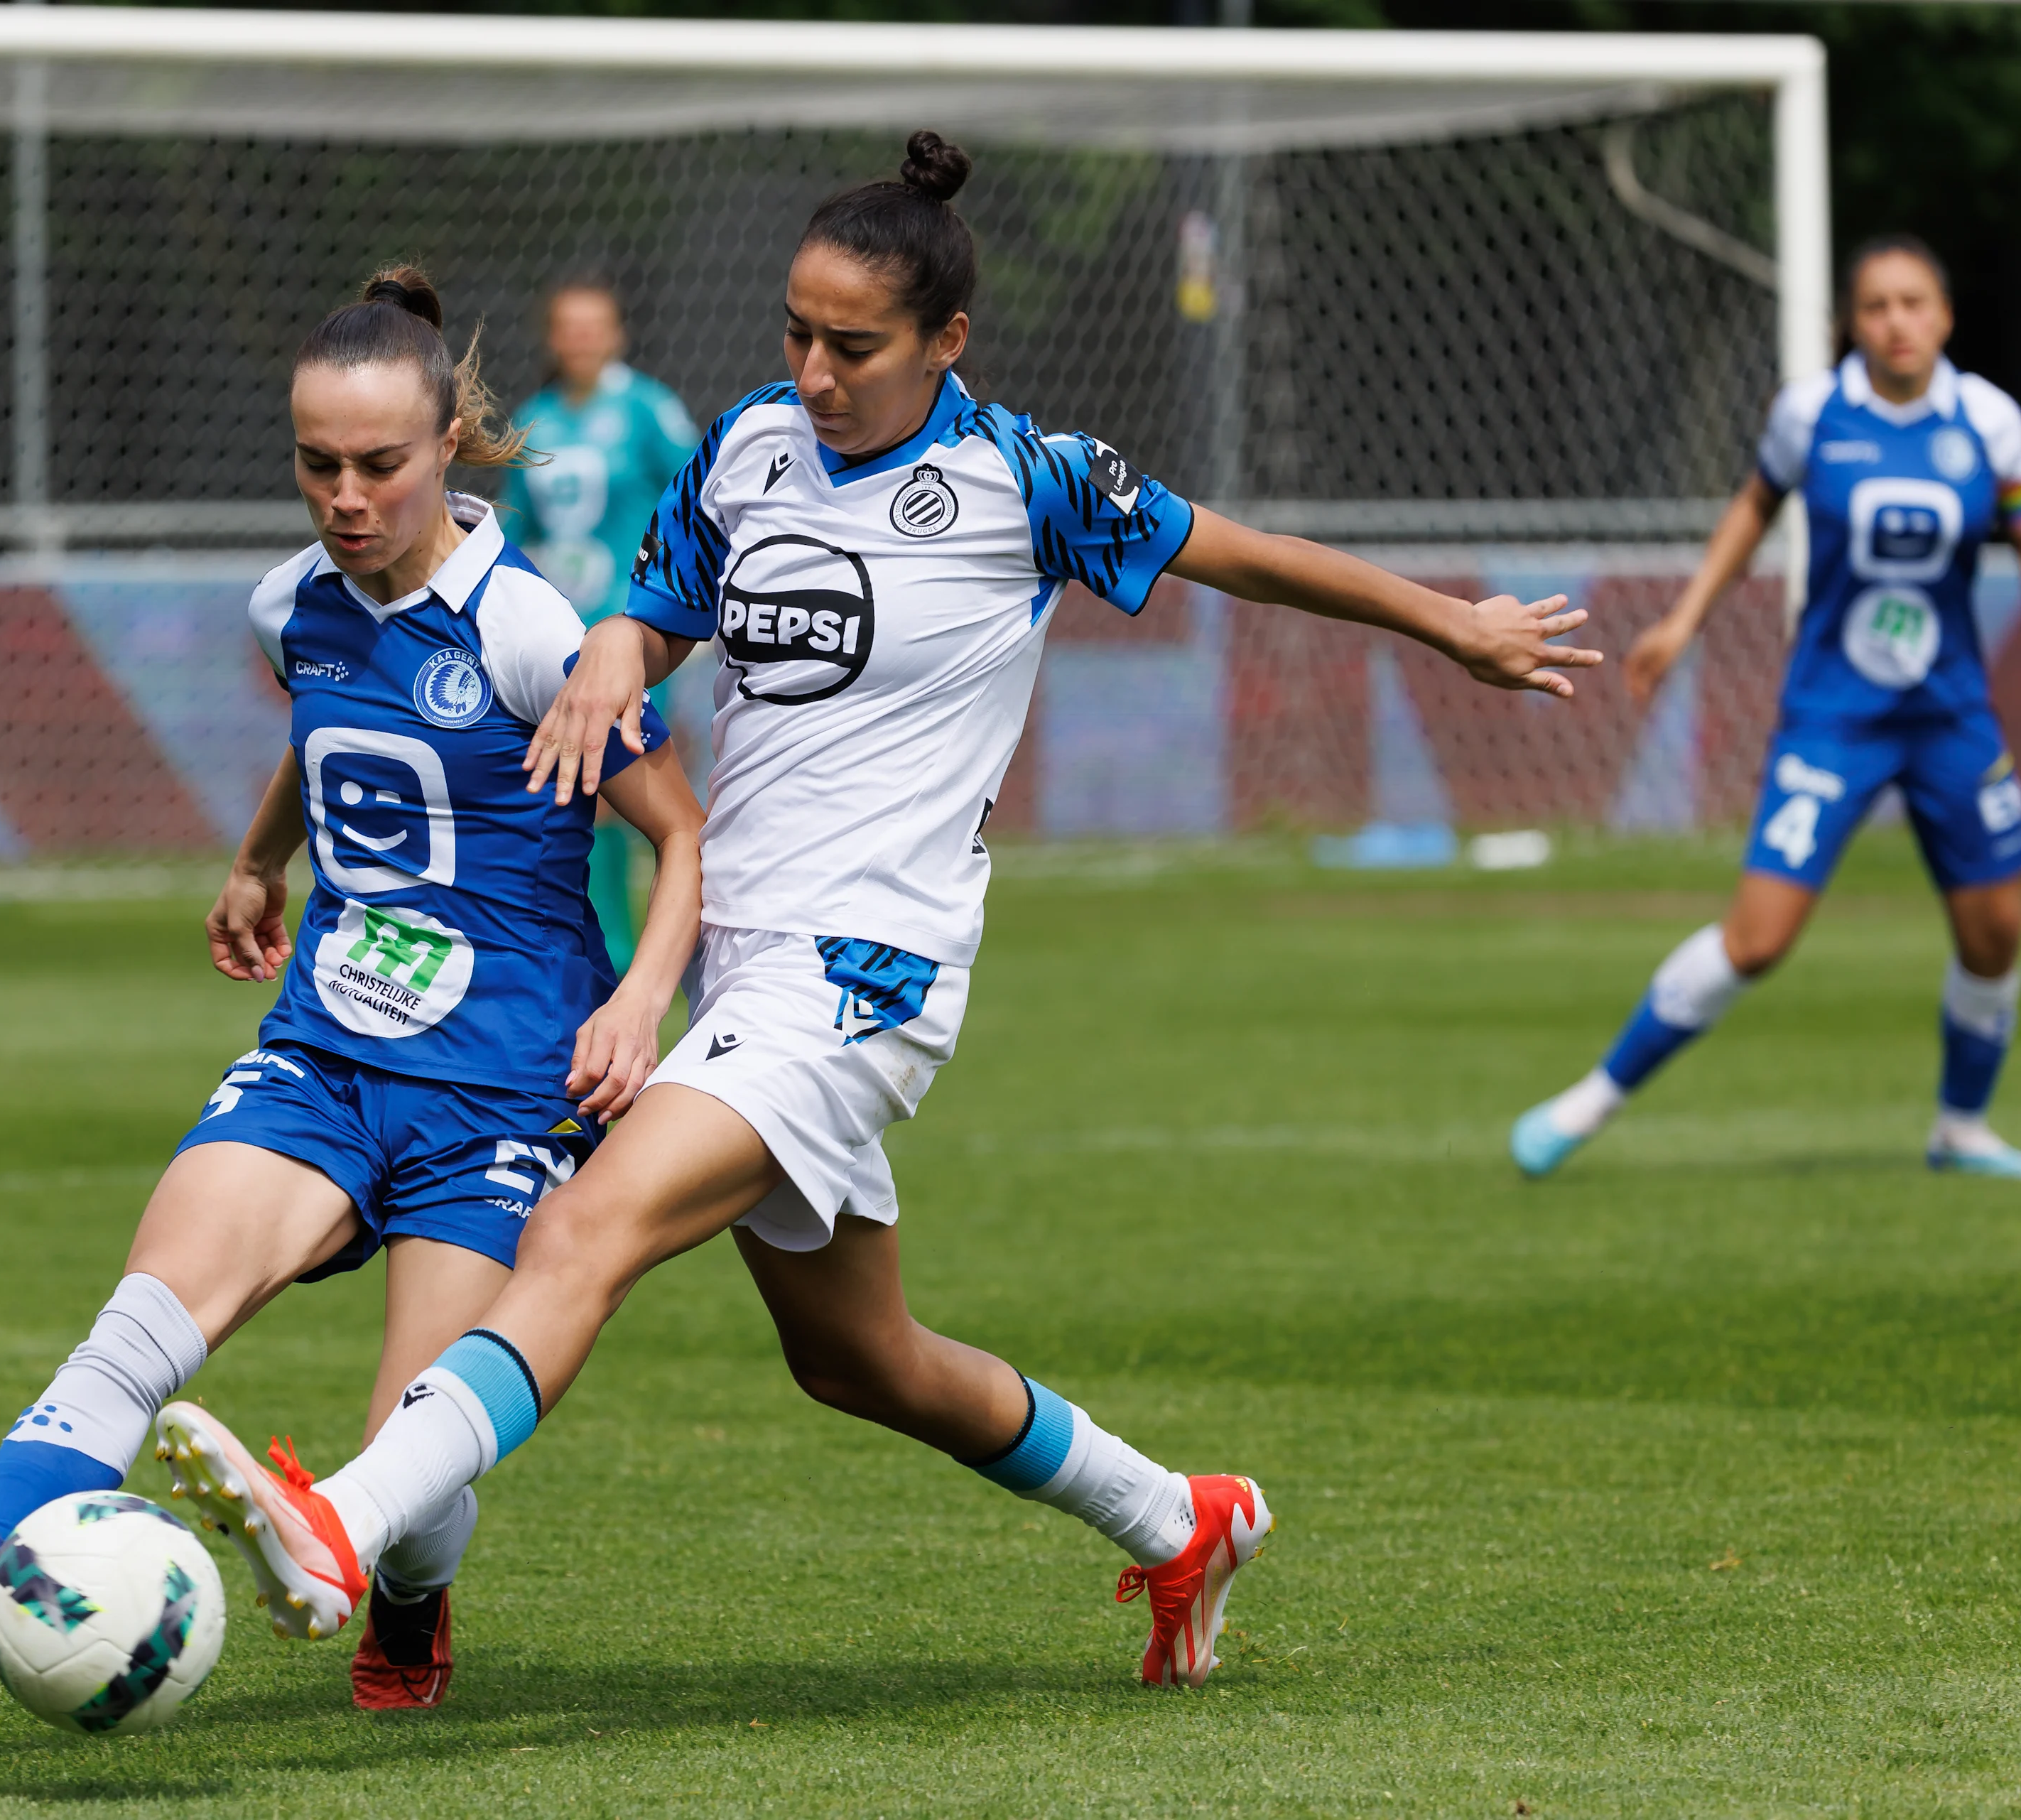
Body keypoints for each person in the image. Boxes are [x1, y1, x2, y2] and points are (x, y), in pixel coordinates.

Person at [156, 133, 1598, 1689]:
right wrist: (611, 659)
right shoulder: (745, 451)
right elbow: (655, 613)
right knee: (860, 1360)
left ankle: (344, 1527)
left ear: (947, 342)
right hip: (746, 964)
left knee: (585, 1226)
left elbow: (1238, 556)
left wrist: (1456, 626)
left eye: (855, 345)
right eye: (797, 332)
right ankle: (1185, 1518)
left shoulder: (1025, 482)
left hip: (867, 972)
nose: (816, 369)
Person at [0, 266, 705, 1714]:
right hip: (327, 1053)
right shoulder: (291, 604)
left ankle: (410, 1610)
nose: (346, 498)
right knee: (145, 1322)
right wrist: (258, 862)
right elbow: (321, 730)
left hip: (500, 1089)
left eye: (380, 466)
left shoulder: (532, 631)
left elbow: (682, 836)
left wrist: (641, 1002)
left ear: (449, 450)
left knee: (414, 1470)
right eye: (317, 465)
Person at [1512, 237, 2021, 1180]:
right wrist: (1683, 618)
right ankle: (1591, 1098)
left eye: (1915, 303)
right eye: (1876, 306)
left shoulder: (1993, 426)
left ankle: (1960, 1128)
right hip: (1832, 715)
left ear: (1945, 316)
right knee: (1760, 936)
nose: (1897, 322)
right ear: (1850, 322)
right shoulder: (1812, 413)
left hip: (1950, 716)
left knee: (1998, 932)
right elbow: (1755, 504)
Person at [499, 279, 702, 971]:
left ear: (616, 335)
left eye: (595, 327)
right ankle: (609, 954)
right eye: (570, 327)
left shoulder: (646, 409)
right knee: (581, 791)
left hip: (637, 635)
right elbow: (516, 525)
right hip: (558, 637)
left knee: (636, 792)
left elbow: (696, 496)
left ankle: (669, 951)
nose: (582, 340)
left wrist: (686, 600)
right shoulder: (535, 418)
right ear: (553, 338)